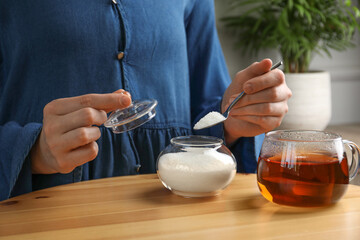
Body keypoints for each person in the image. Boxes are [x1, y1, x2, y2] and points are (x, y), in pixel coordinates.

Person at [0, 0, 291, 201]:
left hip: (176, 212)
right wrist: (35, 152)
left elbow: (212, 117)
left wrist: (237, 120)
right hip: (46, 215)